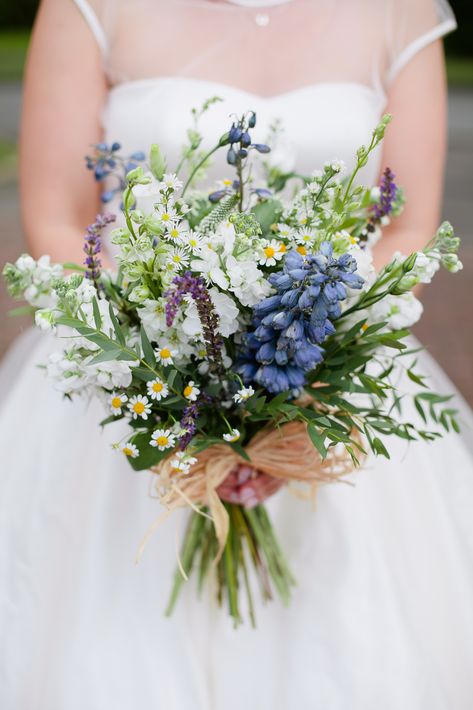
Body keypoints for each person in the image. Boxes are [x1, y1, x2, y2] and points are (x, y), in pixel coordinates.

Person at [1, 1, 473, 708]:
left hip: (323, 366)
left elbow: (404, 225)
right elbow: (58, 218)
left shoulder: (400, 12)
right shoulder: (85, 7)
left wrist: (299, 381)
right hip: (127, 386)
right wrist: (171, 368)